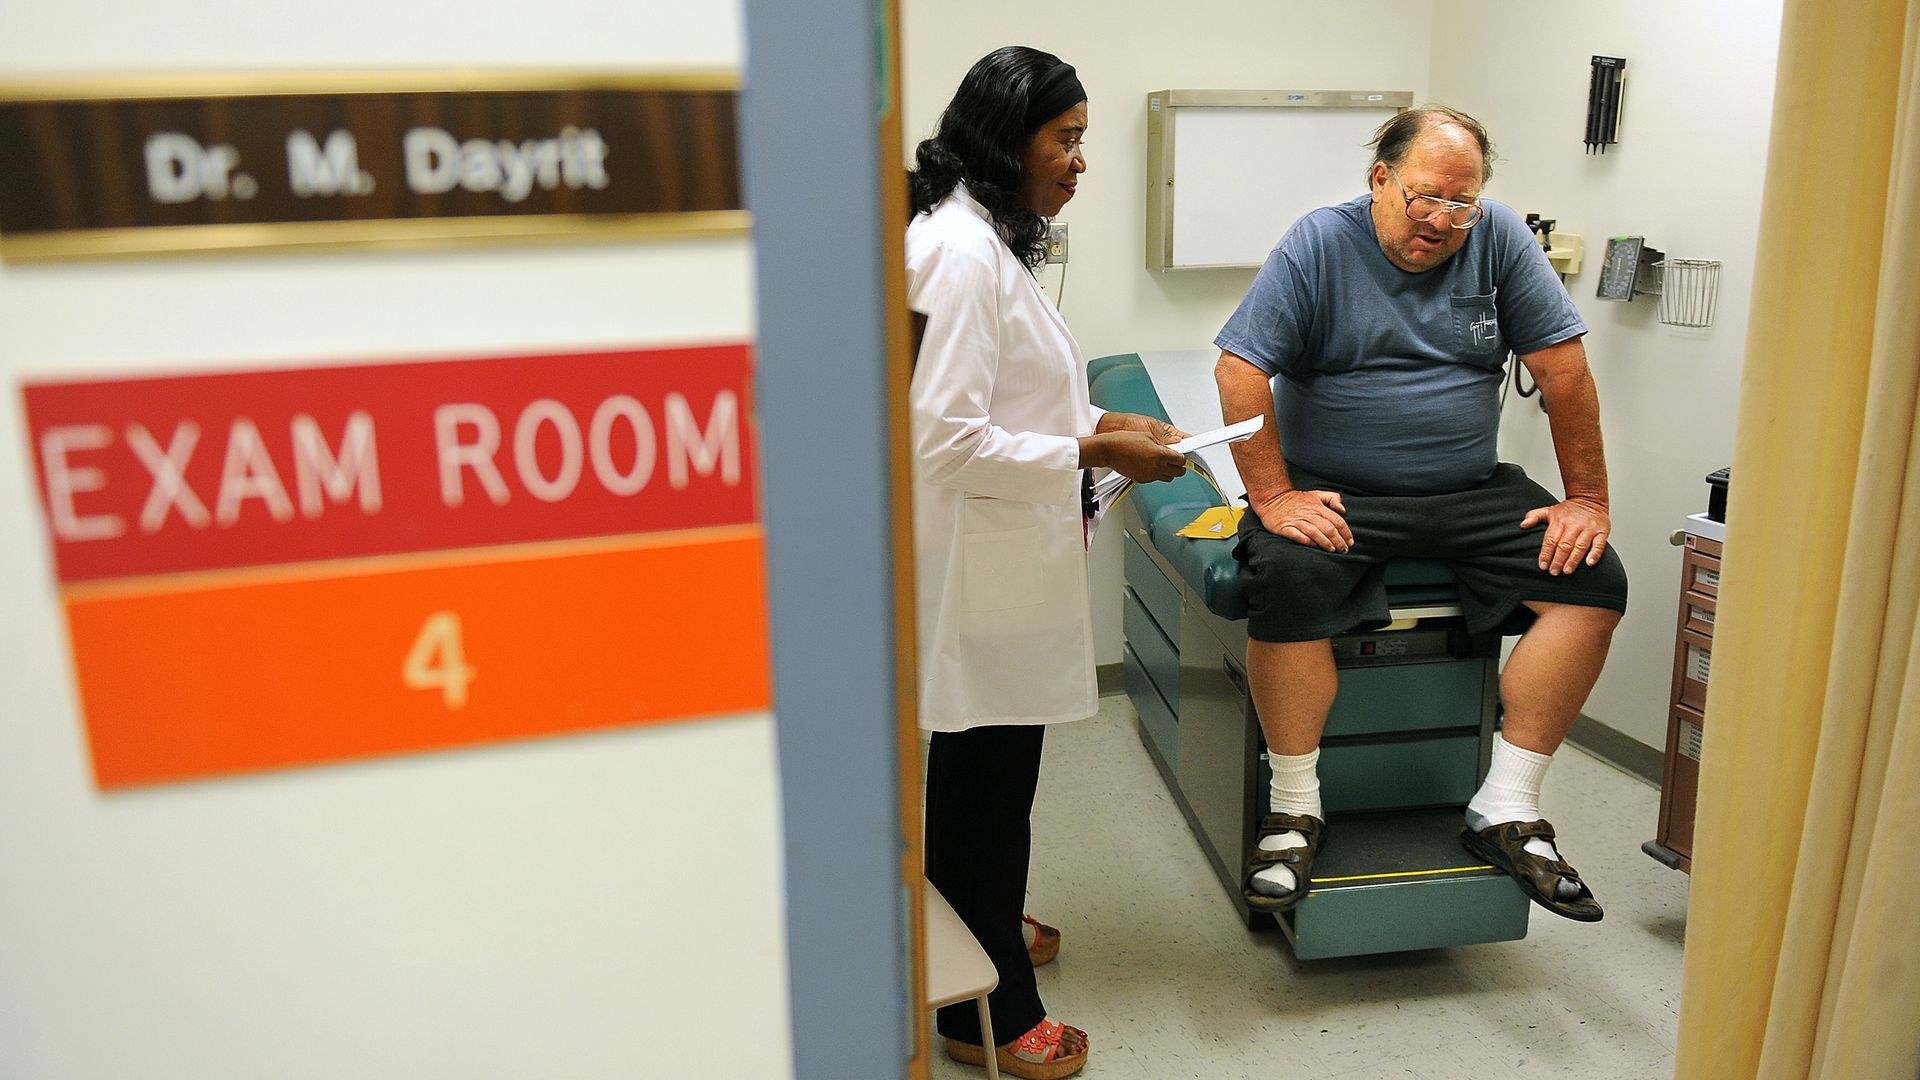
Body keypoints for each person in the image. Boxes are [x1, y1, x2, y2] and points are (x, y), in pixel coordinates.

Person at [1213, 105, 1628, 923]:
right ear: (1380, 180)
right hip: (1339, 489)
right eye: (1425, 199)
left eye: (1461, 203)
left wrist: (1588, 500)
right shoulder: (1319, 243)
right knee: (1288, 578)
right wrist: (1274, 496)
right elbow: (1239, 370)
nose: (1442, 221)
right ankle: (1295, 811)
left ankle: (1506, 806)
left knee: (1593, 581)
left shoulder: (1499, 239)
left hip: (1470, 488)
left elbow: (1565, 372)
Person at [907, 45, 1186, 1080]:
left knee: (995, 780)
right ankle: (985, 1011)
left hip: (1005, 559)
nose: (1078, 162)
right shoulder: (958, 255)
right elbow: (938, 439)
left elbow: (1009, 396)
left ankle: (981, 925)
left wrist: (1100, 418)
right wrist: (1089, 449)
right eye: (1064, 140)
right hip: (977, 572)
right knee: (986, 784)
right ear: (1004, 136)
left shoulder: (981, 240)